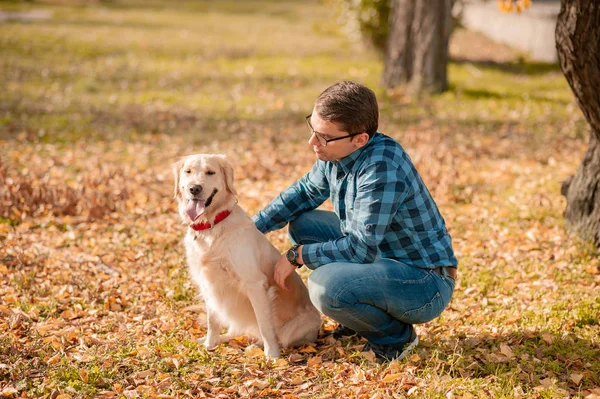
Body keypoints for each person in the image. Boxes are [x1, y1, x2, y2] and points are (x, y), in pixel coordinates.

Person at [252, 81, 458, 362]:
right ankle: (357, 313)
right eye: (312, 129)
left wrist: (297, 255)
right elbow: (303, 193)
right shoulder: (334, 153)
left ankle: (396, 338)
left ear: (359, 139)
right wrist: (250, 228)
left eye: (323, 136)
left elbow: (360, 249)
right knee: (304, 225)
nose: (312, 142)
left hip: (424, 282)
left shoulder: (381, 168)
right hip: (383, 255)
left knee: (325, 287)